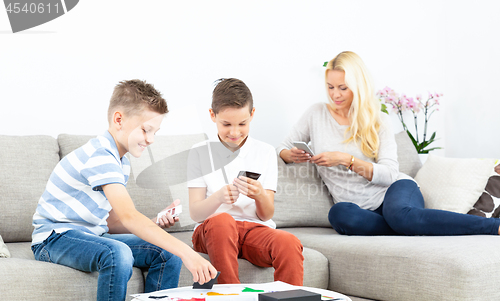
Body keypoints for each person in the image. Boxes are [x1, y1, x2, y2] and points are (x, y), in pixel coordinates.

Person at [31, 79, 217, 301]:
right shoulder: (100, 155)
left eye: (155, 132)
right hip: (53, 239)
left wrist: (152, 225)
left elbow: (110, 221)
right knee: (117, 253)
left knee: (167, 252)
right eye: (145, 130)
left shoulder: (121, 161)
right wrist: (190, 254)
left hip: (90, 235)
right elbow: (129, 216)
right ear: (119, 120)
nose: (150, 139)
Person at [277, 51, 500, 236]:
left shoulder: (378, 120)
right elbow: (282, 147)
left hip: (395, 190)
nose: (335, 94)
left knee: (399, 215)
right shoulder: (315, 114)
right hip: (359, 208)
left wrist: (347, 160)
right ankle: (404, 227)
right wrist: (291, 155)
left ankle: (493, 227)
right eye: (330, 87)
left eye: (342, 88)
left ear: (358, 86)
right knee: (340, 215)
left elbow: (390, 174)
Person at [187, 78, 304, 285]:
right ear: (212, 115)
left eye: (242, 124)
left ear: (252, 114)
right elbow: (196, 213)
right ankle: (230, 295)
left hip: (254, 229)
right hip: (213, 230)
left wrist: (259, 195)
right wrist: (217, 198)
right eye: (226, 124)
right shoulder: (199, 152)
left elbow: (266, 214)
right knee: (222, 221)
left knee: (289, 242)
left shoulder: (266, 152)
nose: (234, 132)